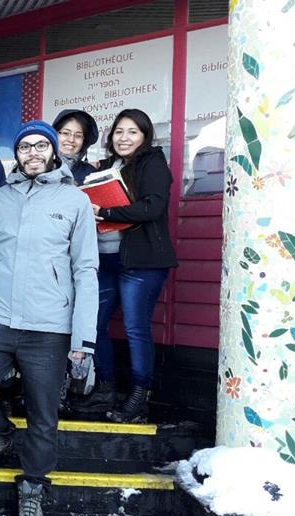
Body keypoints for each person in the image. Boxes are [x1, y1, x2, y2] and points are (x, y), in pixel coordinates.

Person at [0, 120, 98, 516]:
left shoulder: (75, 201)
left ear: (53, 152)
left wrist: (83, 340)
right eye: (25, 147)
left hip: (50, 325)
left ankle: (34, 486)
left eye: (41, 145)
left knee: (43, 413)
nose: (33, 152)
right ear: (16, 155)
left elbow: (86, 270)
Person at [74, 109, 178, 423]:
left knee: (135, 328)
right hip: (104, 259)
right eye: (119, 131)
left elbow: (152, 207)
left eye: (132, 132)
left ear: (145, 136)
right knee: (94, 324)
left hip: (142, 262)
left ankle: (139, 396)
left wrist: (106, 212)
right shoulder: (104, 167)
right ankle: (105, 388)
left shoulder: (152, 162)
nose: (124, 138)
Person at [51, 109, 99, 184]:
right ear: (54, 134)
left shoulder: (91, 173)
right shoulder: (40, 166)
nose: (71, 140)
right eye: (66, 133)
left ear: (84, 141)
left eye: (78, 136)